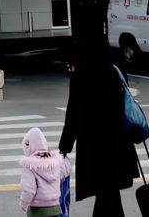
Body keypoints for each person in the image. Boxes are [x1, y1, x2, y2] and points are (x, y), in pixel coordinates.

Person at [58, 41, 138, 217]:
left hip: (95, 146)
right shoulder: (114, 71)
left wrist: (64, 146)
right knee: (109, 193)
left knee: (106, 193)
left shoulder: (81, 76)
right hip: (118, 142)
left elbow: (73, 115)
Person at [19, 127, 71, 217]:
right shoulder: (55, 162)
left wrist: (23, 204)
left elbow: (29, 190)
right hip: (55, 208)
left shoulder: (30, 166)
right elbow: (65, 170)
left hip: (37, 210)